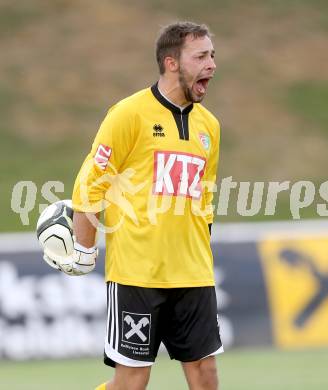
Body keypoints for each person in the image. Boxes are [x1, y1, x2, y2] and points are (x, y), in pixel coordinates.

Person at [60, 21, 221, 390]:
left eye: (212, 55)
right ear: (172, 63)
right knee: (132, 381)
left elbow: (205, 198)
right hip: (137, 274)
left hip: (194, 274)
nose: (211, 64)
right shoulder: (128, 114)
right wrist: (84, 249)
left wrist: (200, 247)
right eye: (201, 56)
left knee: (206, 375)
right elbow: (91, 183)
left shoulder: (210, 126)